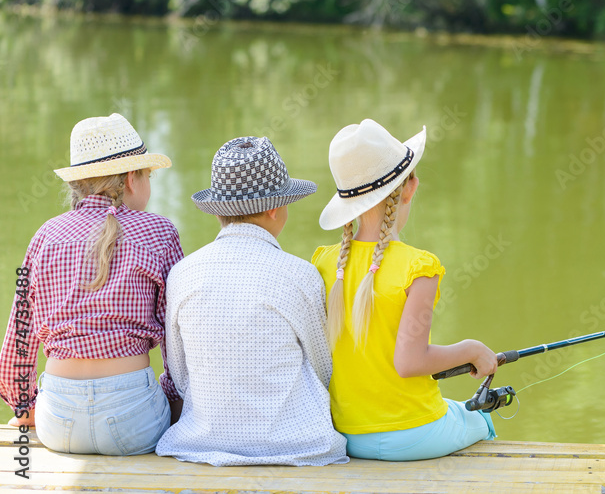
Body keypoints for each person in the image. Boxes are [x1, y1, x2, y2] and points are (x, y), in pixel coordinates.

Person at [313, 119, 498, 461]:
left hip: (346, 434)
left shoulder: (324, 263)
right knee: (482, 418)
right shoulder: (419, 267)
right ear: (410, 187)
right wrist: (472, 350)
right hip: (413, 435)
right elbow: (410, 362)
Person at [156, 136, 348, 466]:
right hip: (295, 446)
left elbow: (180, 374)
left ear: (220, 211)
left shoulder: (182, 274)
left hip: (201, 443)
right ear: (275, 208)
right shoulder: (300, 274)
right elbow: (323, 369)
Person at [0, 113, 183, 455]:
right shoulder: (160, 232)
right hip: (134, 418)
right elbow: (179, 340)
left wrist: (25, 408)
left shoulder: (44, 237)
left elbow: (18, 340)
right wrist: (174, 401)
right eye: (149, 175)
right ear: (132, 178)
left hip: (57, 421)